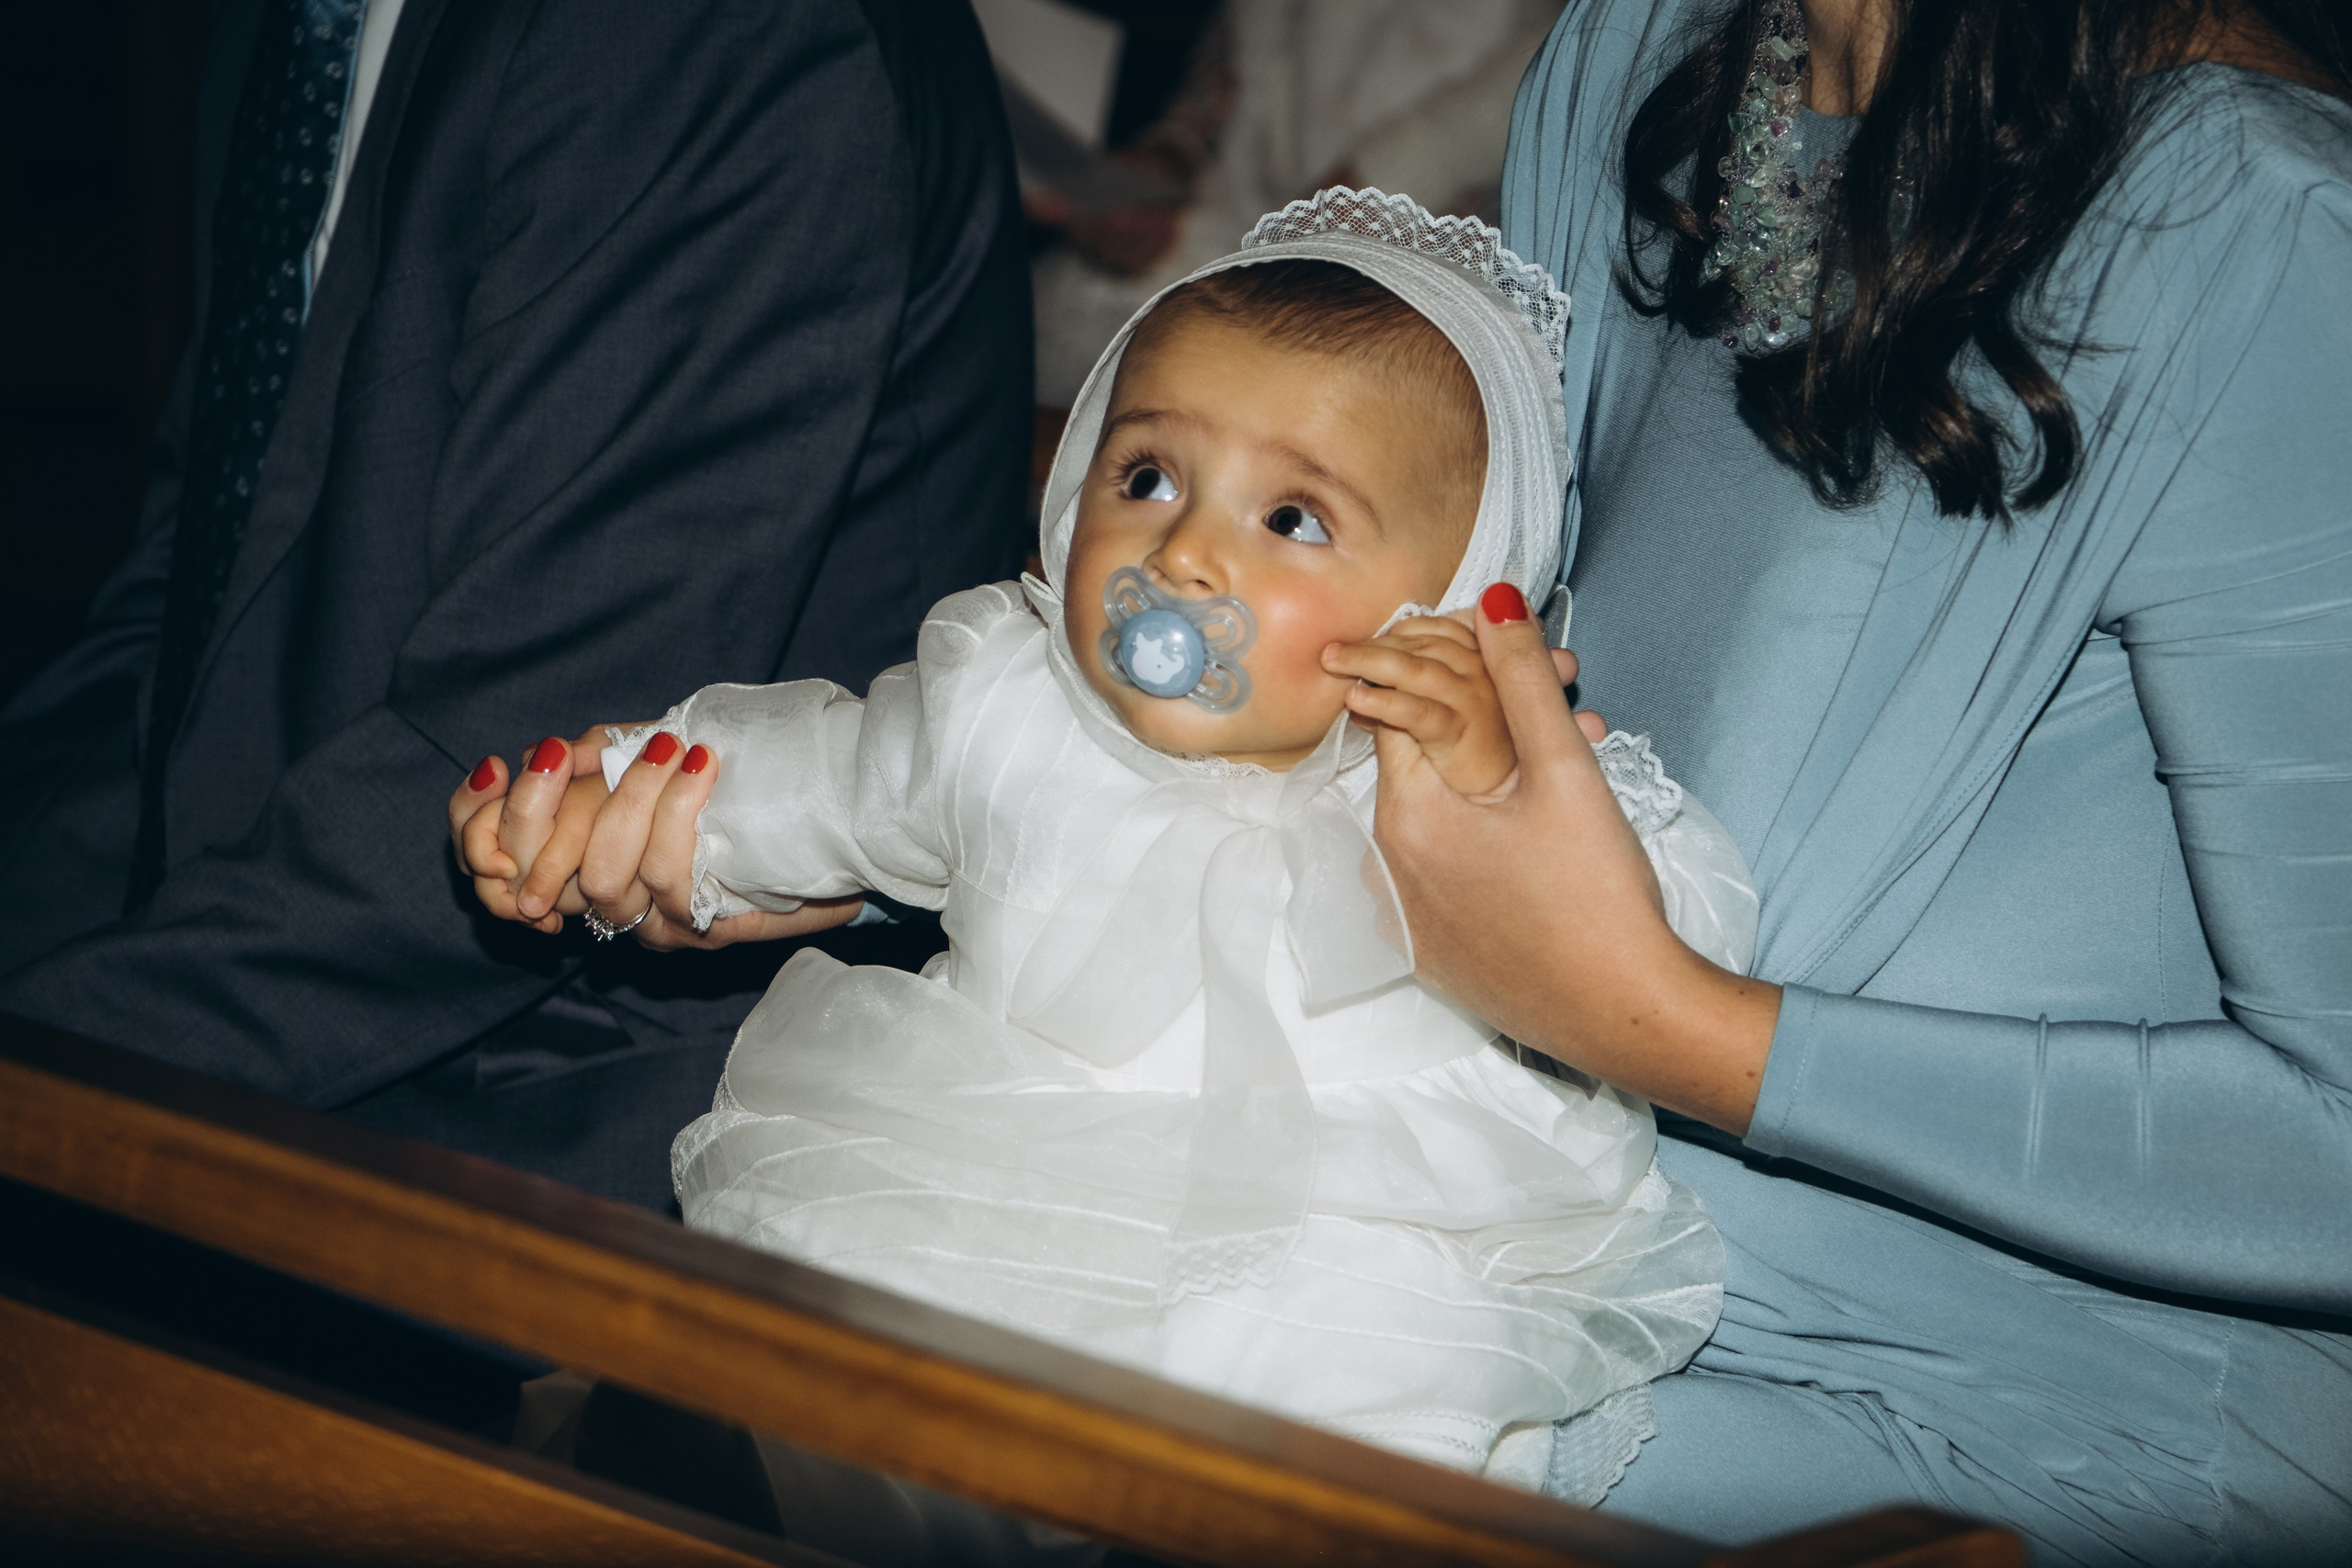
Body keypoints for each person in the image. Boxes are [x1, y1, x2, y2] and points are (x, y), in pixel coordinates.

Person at [455, 190, 1761, 1504]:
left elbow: (1678, 934)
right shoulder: (1012, 699)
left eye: (1291, 518)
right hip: (980, 1184)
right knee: (799, 1351)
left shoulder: (1479, 782)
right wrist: (599, 798)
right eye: (1146, 477)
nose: (1186, 552)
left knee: (1336, 1400)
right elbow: (824, 779)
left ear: (1462, 585)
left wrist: (1494, 785)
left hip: (1337, 1249)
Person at [1348, 0, 2348, 1559]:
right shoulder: (1631, 57)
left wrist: (1670, 1026)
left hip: (2026, 1418)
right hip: (1536, 1239)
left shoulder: (2264, 232)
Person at [0, 0, 1031, 1211]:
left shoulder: (707, 30)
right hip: (290, 962)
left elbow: (499, 769)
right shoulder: (289, 31)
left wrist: (54, 1061)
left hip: (575, 1123)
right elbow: (181, 614)